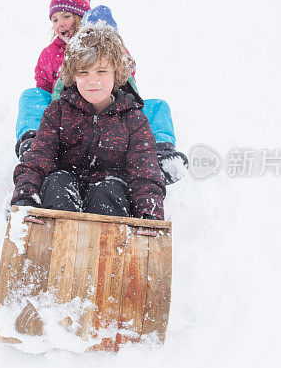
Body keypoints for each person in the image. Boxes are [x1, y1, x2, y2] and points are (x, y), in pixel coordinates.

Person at [15, 0, 188, 184]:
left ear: (81, 17)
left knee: (158, 107)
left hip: (108, 114)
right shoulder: (50, 54)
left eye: (67, 16)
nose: (60, 23)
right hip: (64, 116)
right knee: (31, 96)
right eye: (54, 20)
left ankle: (160, 154)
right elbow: (43, 89)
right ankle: (32, 143)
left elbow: (127, 86)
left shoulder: (109, 48)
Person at [11, 22, 165, 220]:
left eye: (101, 71)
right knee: (58, 182)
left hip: (110, 198)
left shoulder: (133, 119)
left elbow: (144, 172)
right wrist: (25, 200)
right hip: (65, 192)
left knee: (109, 191)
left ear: (116, 73)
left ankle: (107, 248)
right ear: (73, 76)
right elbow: (38, 159)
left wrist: (149, 213)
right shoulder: (58, 112)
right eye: (84, 73)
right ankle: (57, 244)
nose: (93, 81)